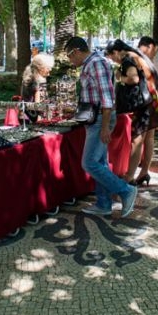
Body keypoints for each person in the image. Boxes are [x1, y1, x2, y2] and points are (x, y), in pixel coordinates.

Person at [65, 37, 137, 217]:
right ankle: (104, 203)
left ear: (76, 51)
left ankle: (125, 190)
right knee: (100, 162)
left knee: (88, 163)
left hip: (99, 119)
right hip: (95, 119)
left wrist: (105, 127)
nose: (70, 61)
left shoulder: (96, 63)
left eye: (69, 56)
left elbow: (107, 99)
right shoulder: (92, 63)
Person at [105, 39, 158, 186]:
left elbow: (133, 78)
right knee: (148, 139)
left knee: (137, 140)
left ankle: (129, 176)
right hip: (152, 101)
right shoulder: (137, 55)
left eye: (111, 57)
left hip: (143, 105)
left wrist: (119, 77)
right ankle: (144, 173)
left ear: (116, 52)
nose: (113, 60)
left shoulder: (128, 59)